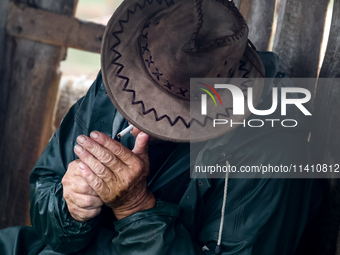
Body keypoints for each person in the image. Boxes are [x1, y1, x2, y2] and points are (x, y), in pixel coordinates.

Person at [0, 0, 323, 254]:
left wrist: (136, 209)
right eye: (143, 98)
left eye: (168, 110)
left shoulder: (270, 151)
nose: (138, 118)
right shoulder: (122, 80)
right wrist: (70, 207)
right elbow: (46, 195)